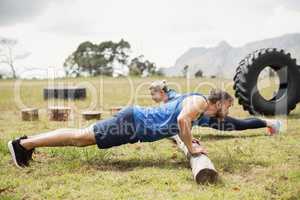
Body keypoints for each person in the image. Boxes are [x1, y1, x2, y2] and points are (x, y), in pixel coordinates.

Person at [8, 88, 281, 168]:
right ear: (219, 103)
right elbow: (181, 122)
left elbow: (182, 120)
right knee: (80, 138)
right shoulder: (198, 103)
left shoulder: (195, 103)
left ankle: (26, 143)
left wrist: (191, 139)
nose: (228, 113)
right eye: (228, 107)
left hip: (133, 123)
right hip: (132, 123)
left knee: (81, 138)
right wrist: (191, 147)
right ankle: (24, 144)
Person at [149, 80, 282, 135]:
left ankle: (272, 123)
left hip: (209, 118)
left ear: (161, 92)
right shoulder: (168, 99)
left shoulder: (172, 98)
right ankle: (270, 123)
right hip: (206, 118)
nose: (152, 97)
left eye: (153, 93)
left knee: (239, 124)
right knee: (238, 123)